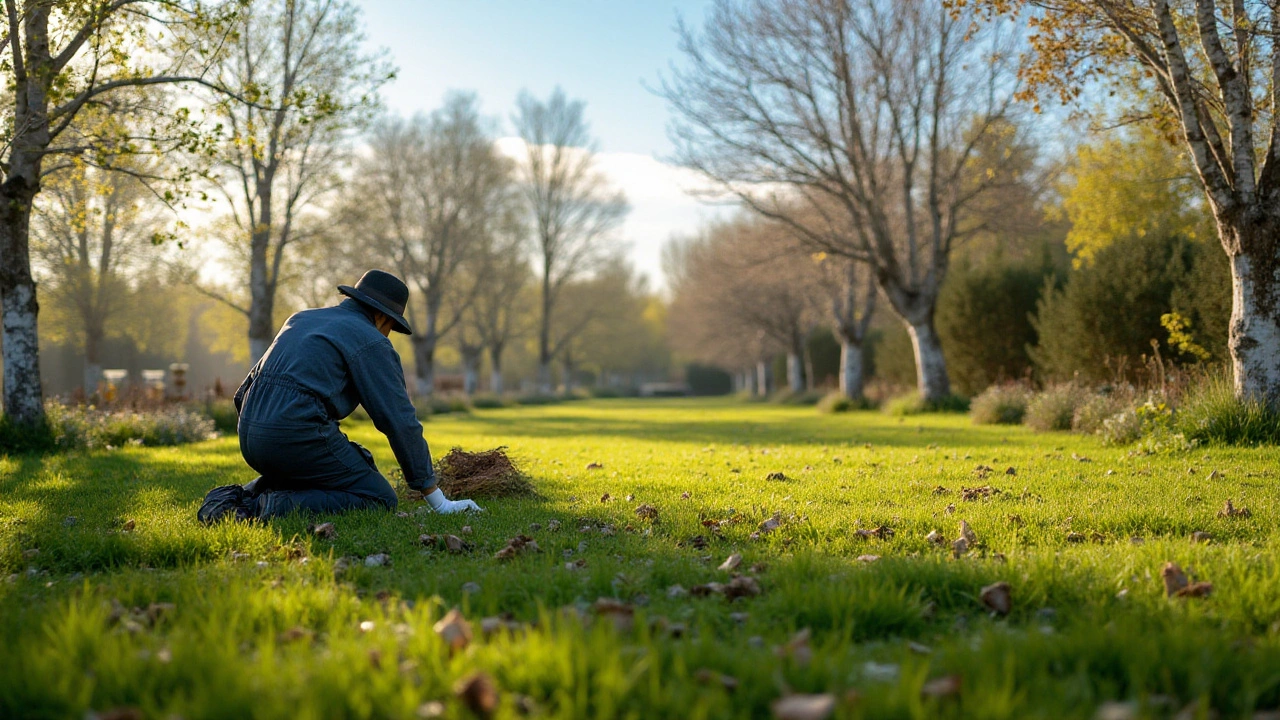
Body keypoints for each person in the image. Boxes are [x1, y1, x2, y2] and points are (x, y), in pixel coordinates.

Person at [197, 269, 482, 523]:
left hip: (249, 434)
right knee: (378, 498)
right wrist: (437, 499)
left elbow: (244, 390)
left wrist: (262, 432)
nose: (388, 335)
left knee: (360, 464)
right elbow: (400, 420)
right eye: (391, 327)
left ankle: (236, 497)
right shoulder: (371, 340)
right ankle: (260, 508)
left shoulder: (300, 319)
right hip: (294, 435)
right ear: (381, 316)